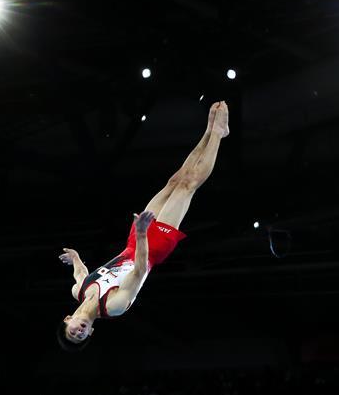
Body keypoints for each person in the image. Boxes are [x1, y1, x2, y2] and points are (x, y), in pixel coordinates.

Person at [58, 102, 229, 350]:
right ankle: (217, 134)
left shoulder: (80, 291)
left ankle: (209, 130)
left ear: (67, 319)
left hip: (135, 238)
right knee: (188, 185)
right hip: (151, 248)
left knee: (175, 180)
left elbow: (80, 274)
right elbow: (138, 271)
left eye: (72, 333)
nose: (79, 332)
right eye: (81, 336)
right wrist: (141, 235)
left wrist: (75, 258)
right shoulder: (113, 307)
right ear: (91, 332)